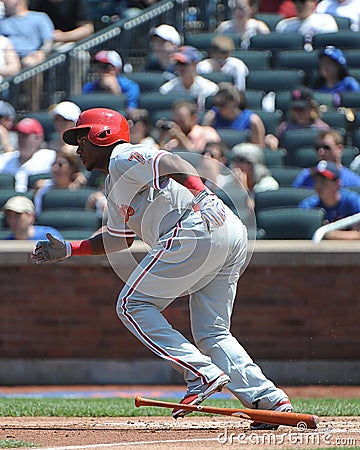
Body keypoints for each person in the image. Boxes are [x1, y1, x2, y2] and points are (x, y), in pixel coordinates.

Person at [32, 107, 293, 430]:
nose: (78, 147)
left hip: (196, 227)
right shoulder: (115, 183)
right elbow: (118, 240)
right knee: (212, 332)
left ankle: (201, 373)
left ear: (103, 136)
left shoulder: (122, 156)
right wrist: (70, 249)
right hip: (226, 232)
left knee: (132, 304)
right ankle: (268, 399)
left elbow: (173, 162)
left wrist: (202, 194)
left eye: (82, 138)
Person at [298, 160, 360, 239]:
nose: (318, 185)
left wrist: (326, 233)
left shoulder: (353, 201)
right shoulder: (309, 206)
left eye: (323, 181)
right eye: (316, 181)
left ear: (337, 183)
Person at [0, 118, 56, 192]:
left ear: (38, 139)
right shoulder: (5, 159)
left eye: (25, 135)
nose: (21, 139)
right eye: (19, 135)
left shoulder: (50, 157)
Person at [202, 82, 266, 148]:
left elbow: (259, 149)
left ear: (235, 101)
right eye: (217, 104)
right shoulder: (212, 117)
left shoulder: (253, 120)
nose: (219, 108)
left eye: (222, 104)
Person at [265, 87, 330, 150]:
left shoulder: (322, 128)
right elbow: (274, 140)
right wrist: (271, 140)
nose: (298, 113)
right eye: (295, 109)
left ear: (312, 108)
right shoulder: (284, 128)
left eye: (301, 109)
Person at [292, 129, 360, 189]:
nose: (321, 152)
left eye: (326, 147)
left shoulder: (353, 180)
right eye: (318, 148)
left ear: (339, 149)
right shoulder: (305, 176)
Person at [159, 46, 219, 111]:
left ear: (195, 64)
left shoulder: (209, 89)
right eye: (177, 64)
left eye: (183, 64)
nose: (180, 68)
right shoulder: (168, 89)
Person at [224, 142, 279, 209]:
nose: (237, 165)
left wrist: (243, 189)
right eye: (235, 160)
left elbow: (251, 210)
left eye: (242, 160)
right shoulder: (228, 183)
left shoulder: (268, 184)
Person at [156, 99, 221, 153]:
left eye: (182, 121)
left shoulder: (208, 133)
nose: (177, 125)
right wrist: (161, 139)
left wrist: (181, 138)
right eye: (175, 121)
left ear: (194, 119)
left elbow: (200, 158)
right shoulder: (173, 141)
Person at [33, 150, 83, 216]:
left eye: (60, 165)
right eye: (53, 164)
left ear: (72, 168)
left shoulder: (79, 189)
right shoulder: (43, 189)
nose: (55, 168)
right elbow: (38, 213)